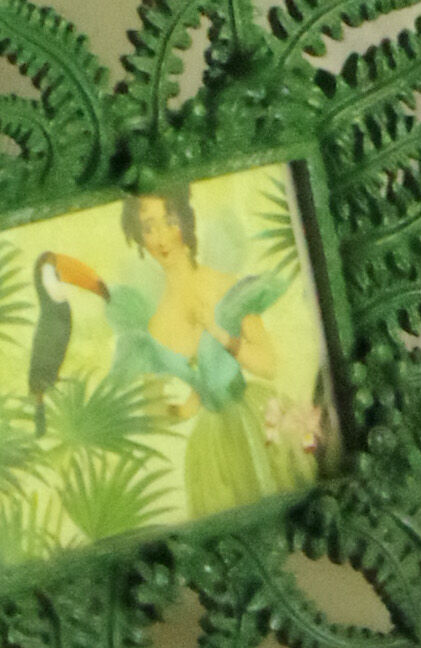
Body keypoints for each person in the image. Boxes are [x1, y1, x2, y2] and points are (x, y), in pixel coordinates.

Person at [108, 188, 325, 520]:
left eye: (168, 221)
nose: (161, 237)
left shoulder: (224, 285)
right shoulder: (155, 324)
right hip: (211, 452)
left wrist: (220, 334)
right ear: (139, 238)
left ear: (186, 221)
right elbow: (195, 396)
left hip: (255, 420)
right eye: (149, 227)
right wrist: (163, 411)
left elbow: (268, 365)